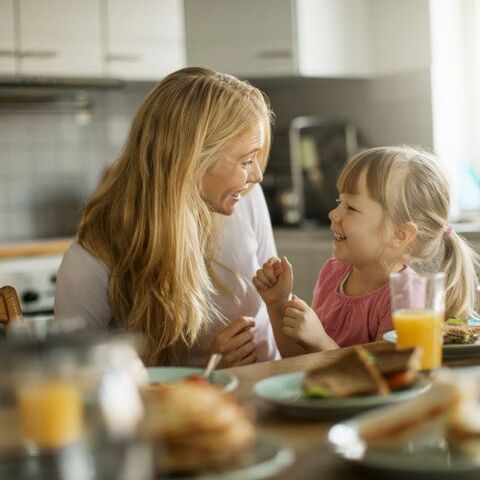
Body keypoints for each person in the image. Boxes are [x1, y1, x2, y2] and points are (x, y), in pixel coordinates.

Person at [54, 67, 280, 367]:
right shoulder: (92, 258)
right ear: (193, 159)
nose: (257, 175)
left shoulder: (247, 199)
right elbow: (77, 382)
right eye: (246, 160)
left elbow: (274, 306)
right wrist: (206, 370)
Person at [253, 146, 479, 357]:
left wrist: (319, 340)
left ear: (399, 235)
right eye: (339, 201)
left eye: (351, 207)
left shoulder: (406, 297)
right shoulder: (333, 273)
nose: (333, 214)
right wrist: (277, 304)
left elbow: (383, 376)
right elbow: (297, 359)